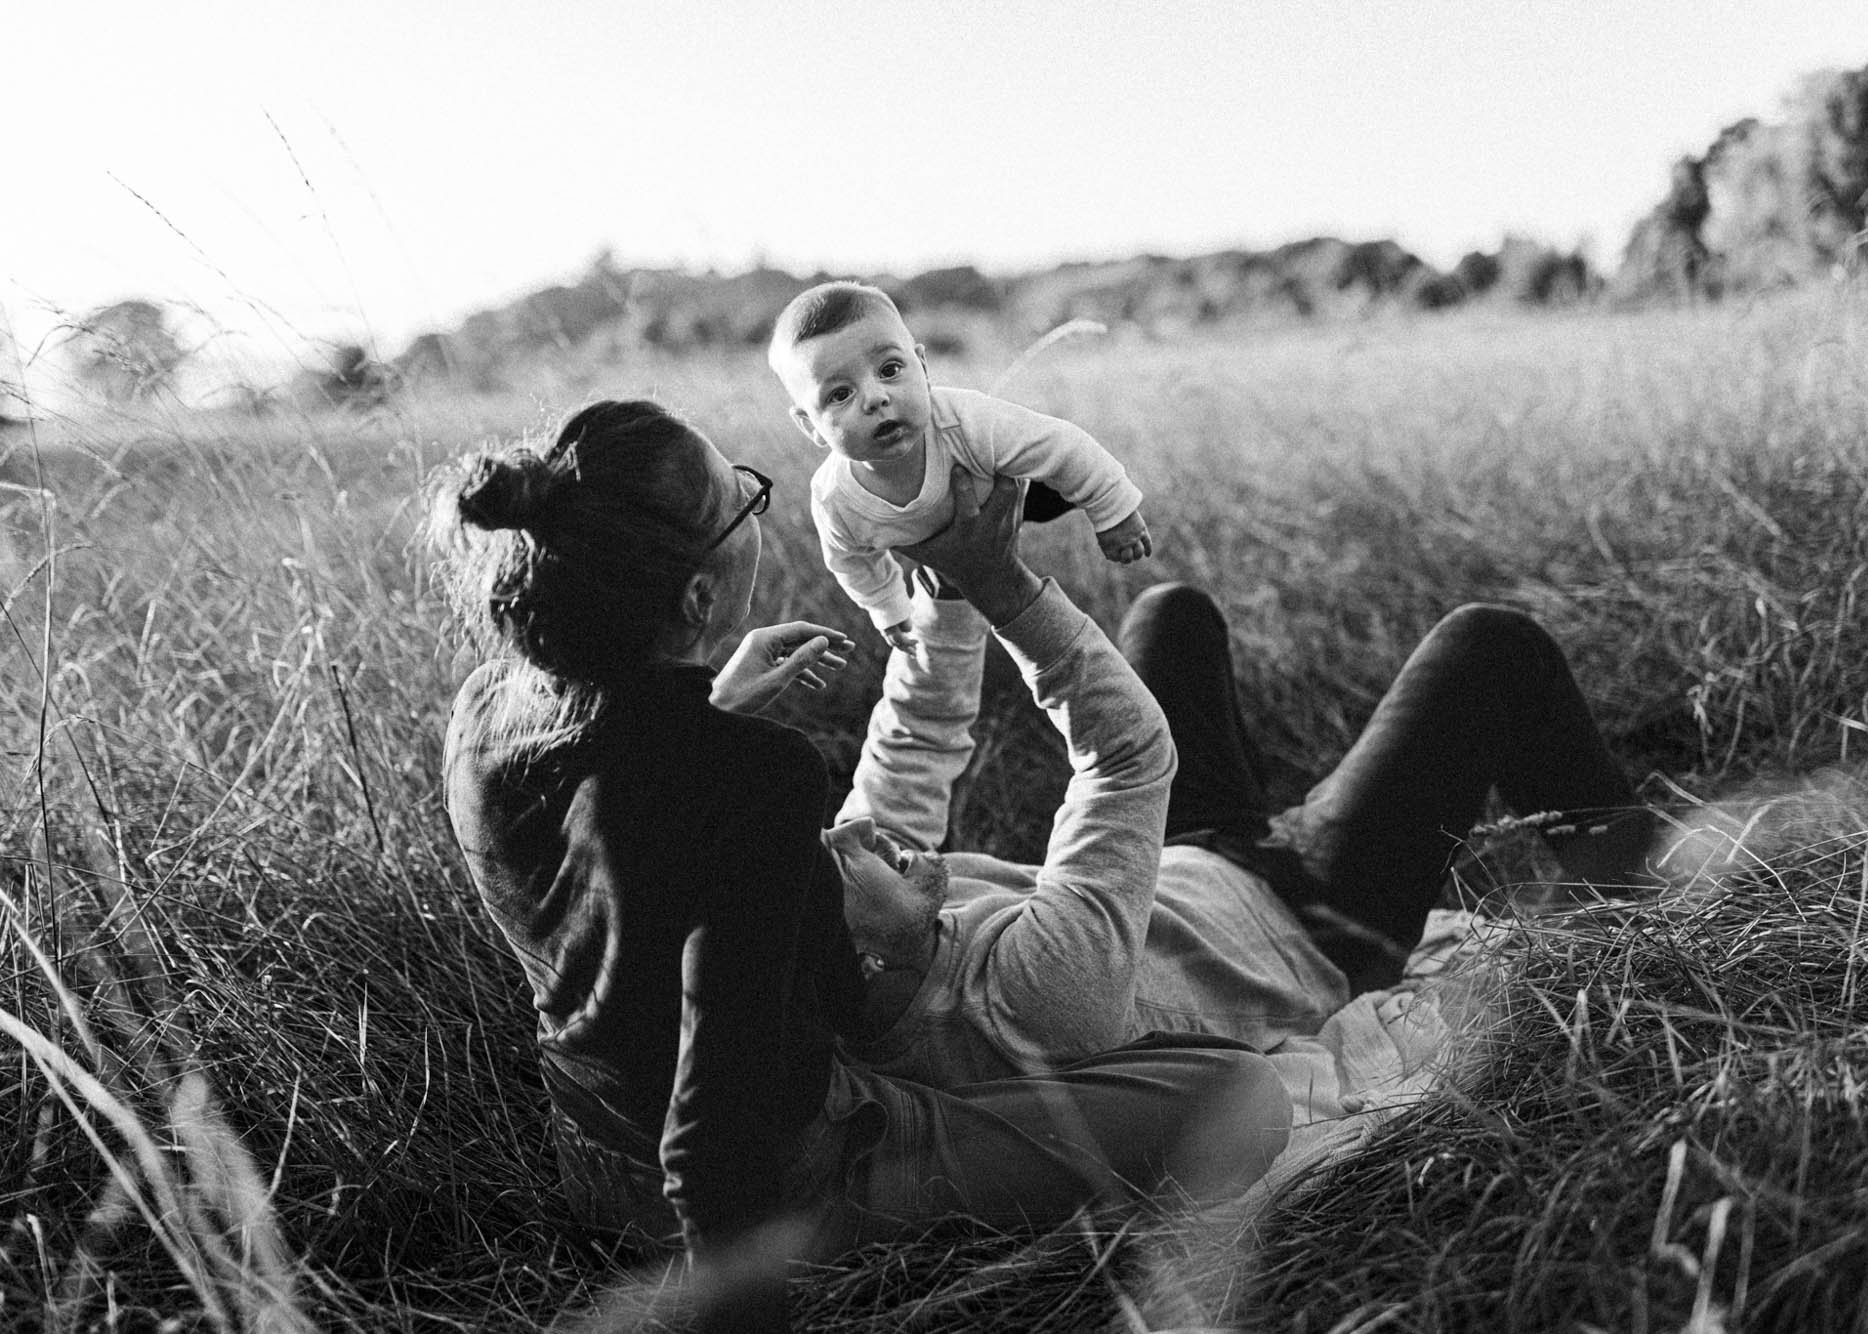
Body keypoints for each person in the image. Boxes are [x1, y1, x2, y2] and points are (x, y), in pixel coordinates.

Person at [432, 400, 1288, 1327]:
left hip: (588, 1151)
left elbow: (624, 880)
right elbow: (720, 1112)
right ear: (697, 600)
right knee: (1239, 1097)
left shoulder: (486, 714)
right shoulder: (753, 777)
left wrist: (709, 708)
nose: (760, 512)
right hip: (786, 1184)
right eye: (743, 503)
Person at [830, 460, 1665, 1091]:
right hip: (1313, 916)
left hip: (1179, 862)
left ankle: (1271, 813)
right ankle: (1663, 920)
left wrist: (940, 584)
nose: (855, 830)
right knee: (1490, 647)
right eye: (836, 855)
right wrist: (1000, 584)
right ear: (853, 961)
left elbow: (915, 741)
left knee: (1170, 613)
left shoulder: (871, 912)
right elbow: (1125, 754)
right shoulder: (1034, 999)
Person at [768, 279, 1152, 656]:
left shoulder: (967, 421)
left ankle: (1064, 498)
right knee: (946, 619)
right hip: (937, 536)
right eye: (839, 394)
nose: (875, 398)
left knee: (1048, 480)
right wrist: (888, 608)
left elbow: (1063, 445)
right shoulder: (835, 499)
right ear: (810, 425)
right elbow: (850, 560)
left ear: (922, 366)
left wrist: (1112, 510)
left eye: (889, 370)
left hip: (999, 480)